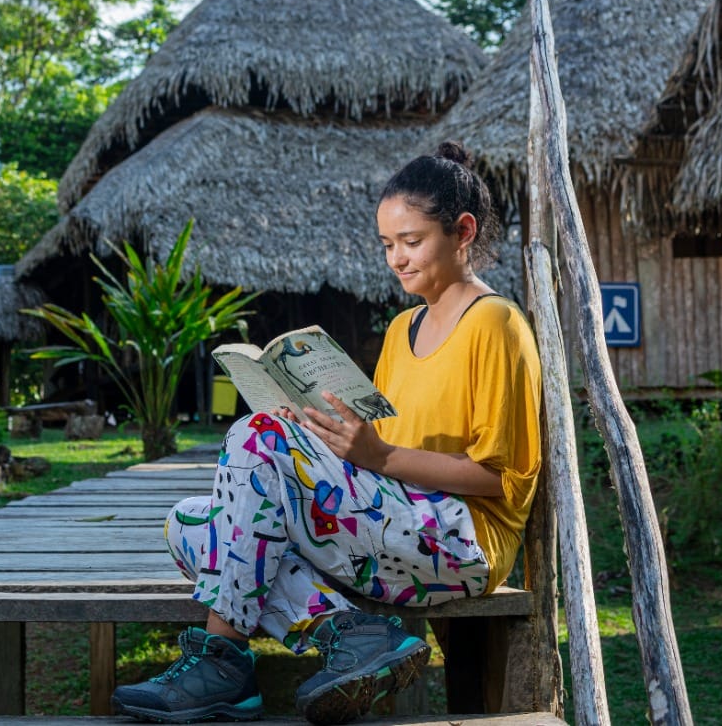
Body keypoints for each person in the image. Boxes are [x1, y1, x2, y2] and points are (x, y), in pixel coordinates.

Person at [111, 141, 542, 725]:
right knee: (189, 524)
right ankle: (351, 632)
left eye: (412, 242)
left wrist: (376, 454)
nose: (397, 258)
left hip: (461, 541)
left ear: (462, 231)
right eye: (388, 245)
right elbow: (373, 453)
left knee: (255, 438)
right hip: (394, 522)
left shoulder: (496, 323)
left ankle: (224, 661)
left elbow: (500, 479)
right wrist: (314, 426)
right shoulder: (401, 329)